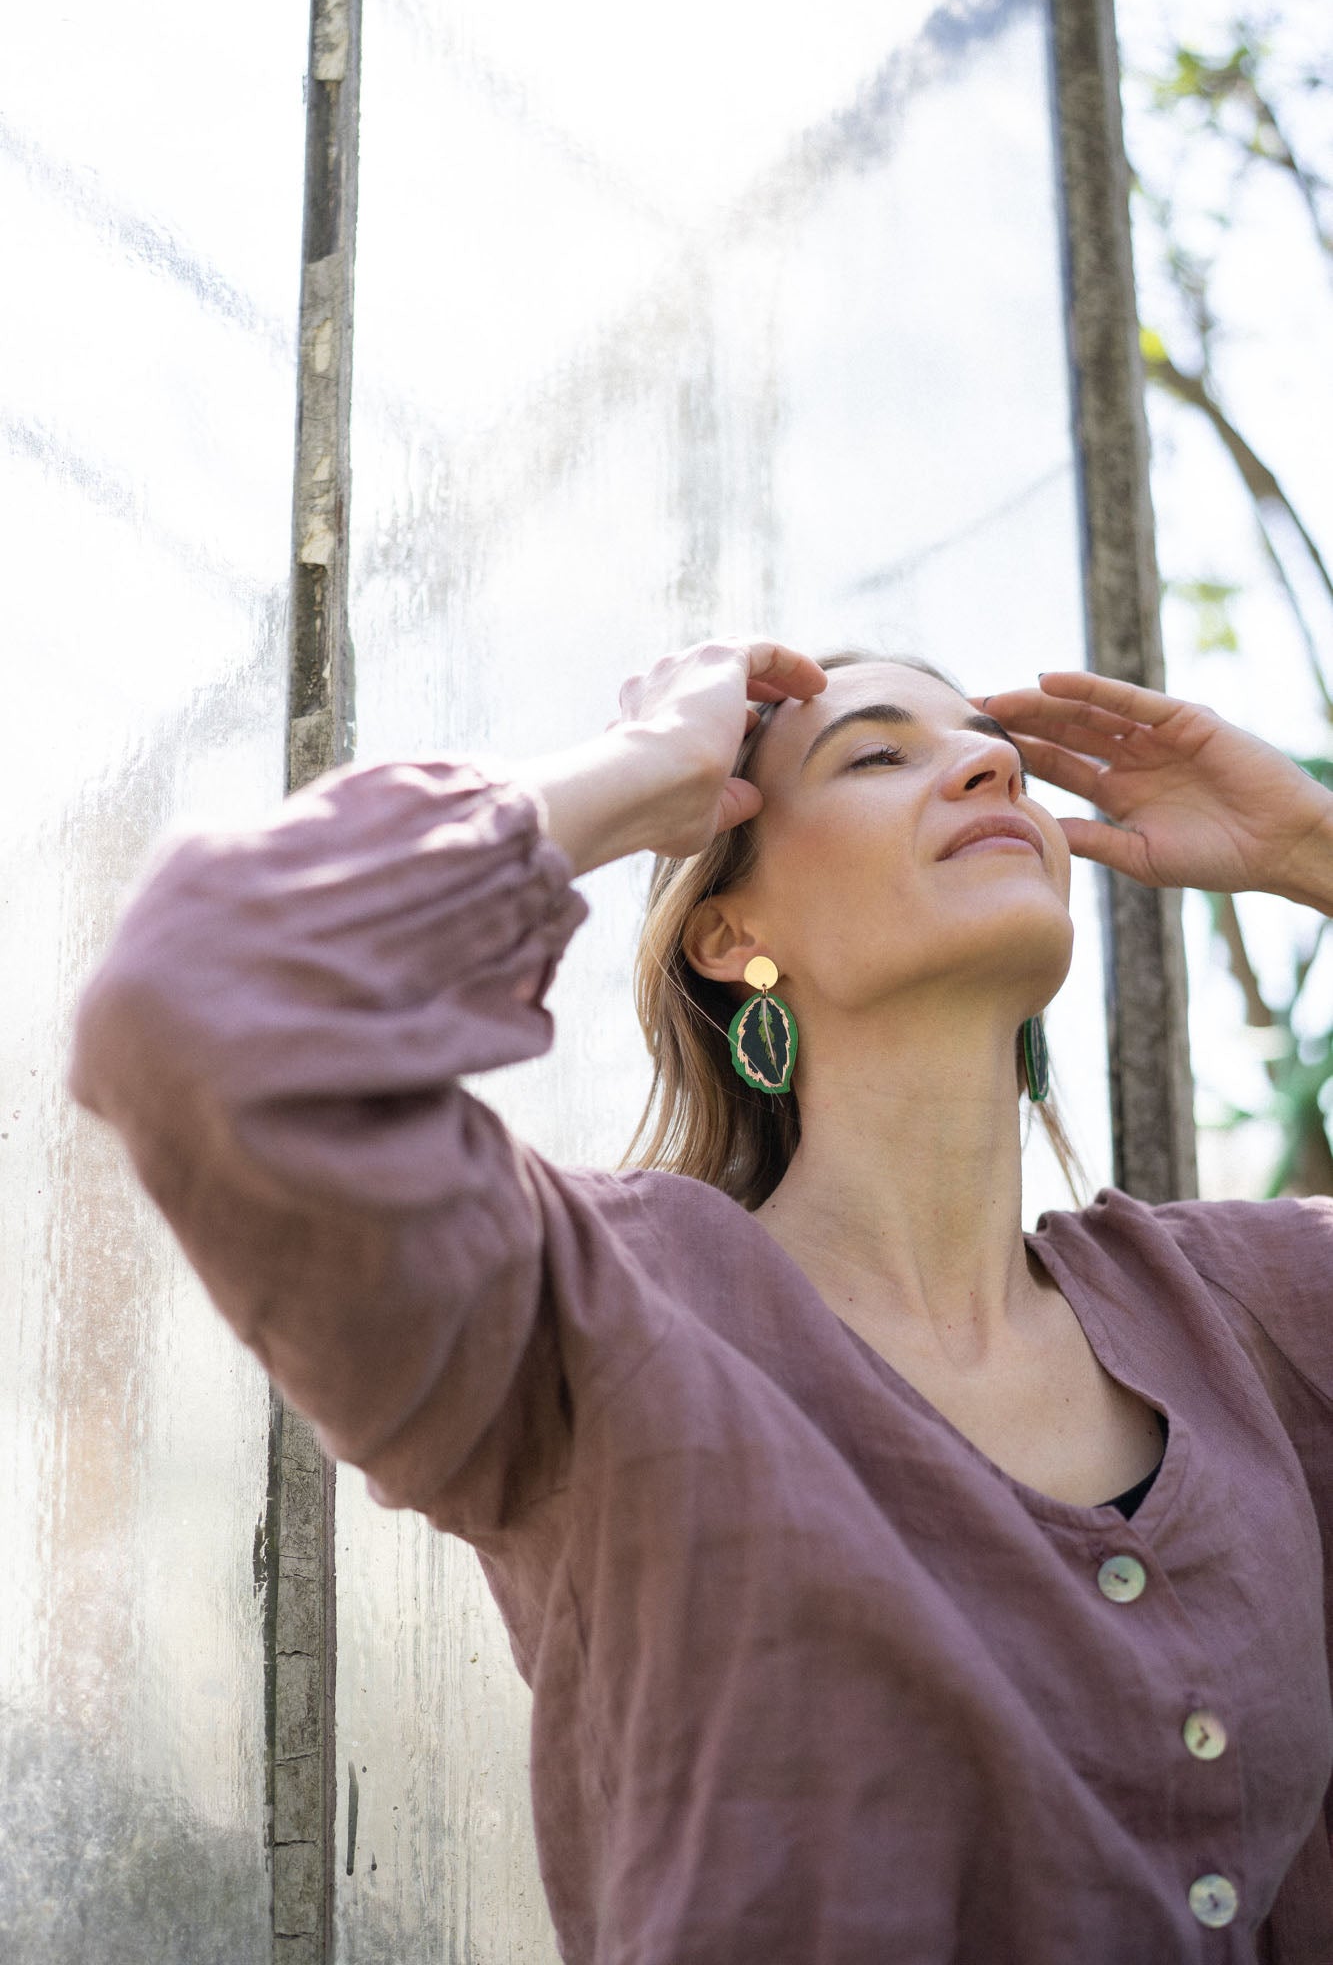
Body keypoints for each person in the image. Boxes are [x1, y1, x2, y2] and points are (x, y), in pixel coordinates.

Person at [67, 639, 1333, 1964]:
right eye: (878, 752)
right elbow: (195, 999)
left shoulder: (1244, 1307)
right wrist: (635, 776)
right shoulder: (591, 1310)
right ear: (732, 936)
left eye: (989, 746)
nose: (989, 763)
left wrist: (1306, 842)